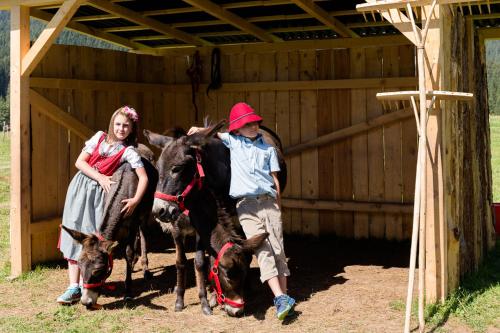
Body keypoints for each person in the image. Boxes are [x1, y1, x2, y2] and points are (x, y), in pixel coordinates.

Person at [188, 102, 295, 320]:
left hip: (268, 202)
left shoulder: (268, 149)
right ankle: (279, 298)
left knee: (278, 249)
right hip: (246, 205)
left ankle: (285, 295)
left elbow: (275, 180)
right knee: (262, 249)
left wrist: (278, 205)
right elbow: (212, 136)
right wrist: (198, 130)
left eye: (255, 123)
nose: (253, 127)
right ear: (236, 130)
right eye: (247, 125)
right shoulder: (233, 142)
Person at [56, 106, 148, 304]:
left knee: (92, 238)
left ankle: (87, 282)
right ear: (112, 123)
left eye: (126, 126)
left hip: (100, 196)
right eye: (118, 124)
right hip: (80, 188)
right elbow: (80, 162)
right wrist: (99, 177)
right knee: (75, 233)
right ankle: (73, 286)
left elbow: (144, 178)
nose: (121, 129)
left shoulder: (128, 151)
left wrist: (136, 199)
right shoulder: (99, 137)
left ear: (132, 129)